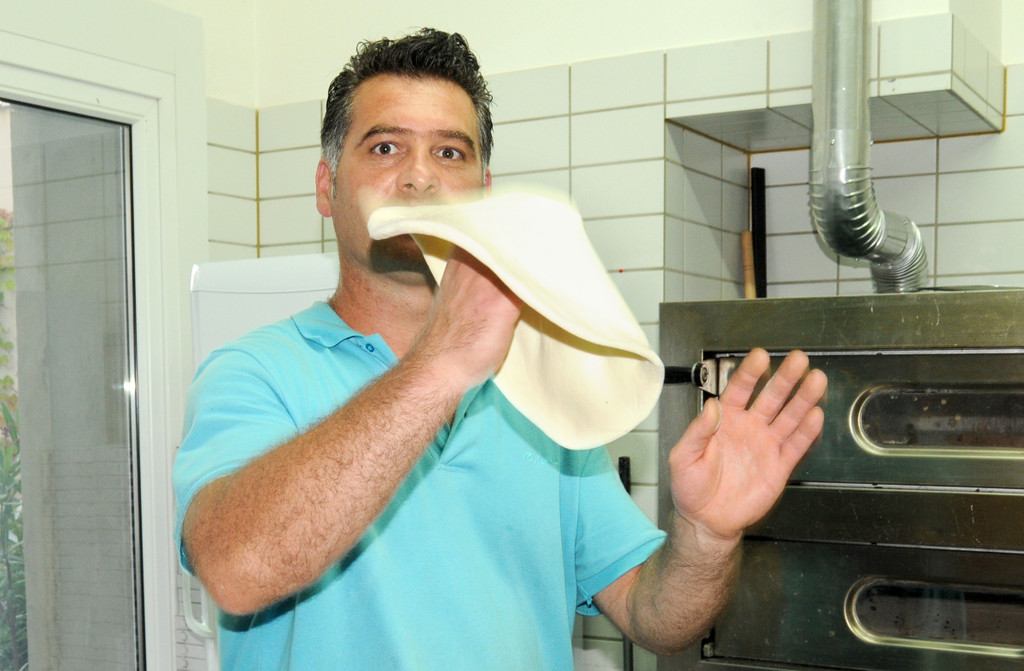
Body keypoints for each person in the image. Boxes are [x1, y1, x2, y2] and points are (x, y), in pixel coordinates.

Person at [173, 28, 828, 669]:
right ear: (327, 186)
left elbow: (656, 616)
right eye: (385, 147)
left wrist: (707, 536)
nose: (420, 177)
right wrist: (442, 363)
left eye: (449, 153)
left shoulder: (543, 383)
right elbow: (235, 570)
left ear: (484, 190)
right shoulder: (254, 372)